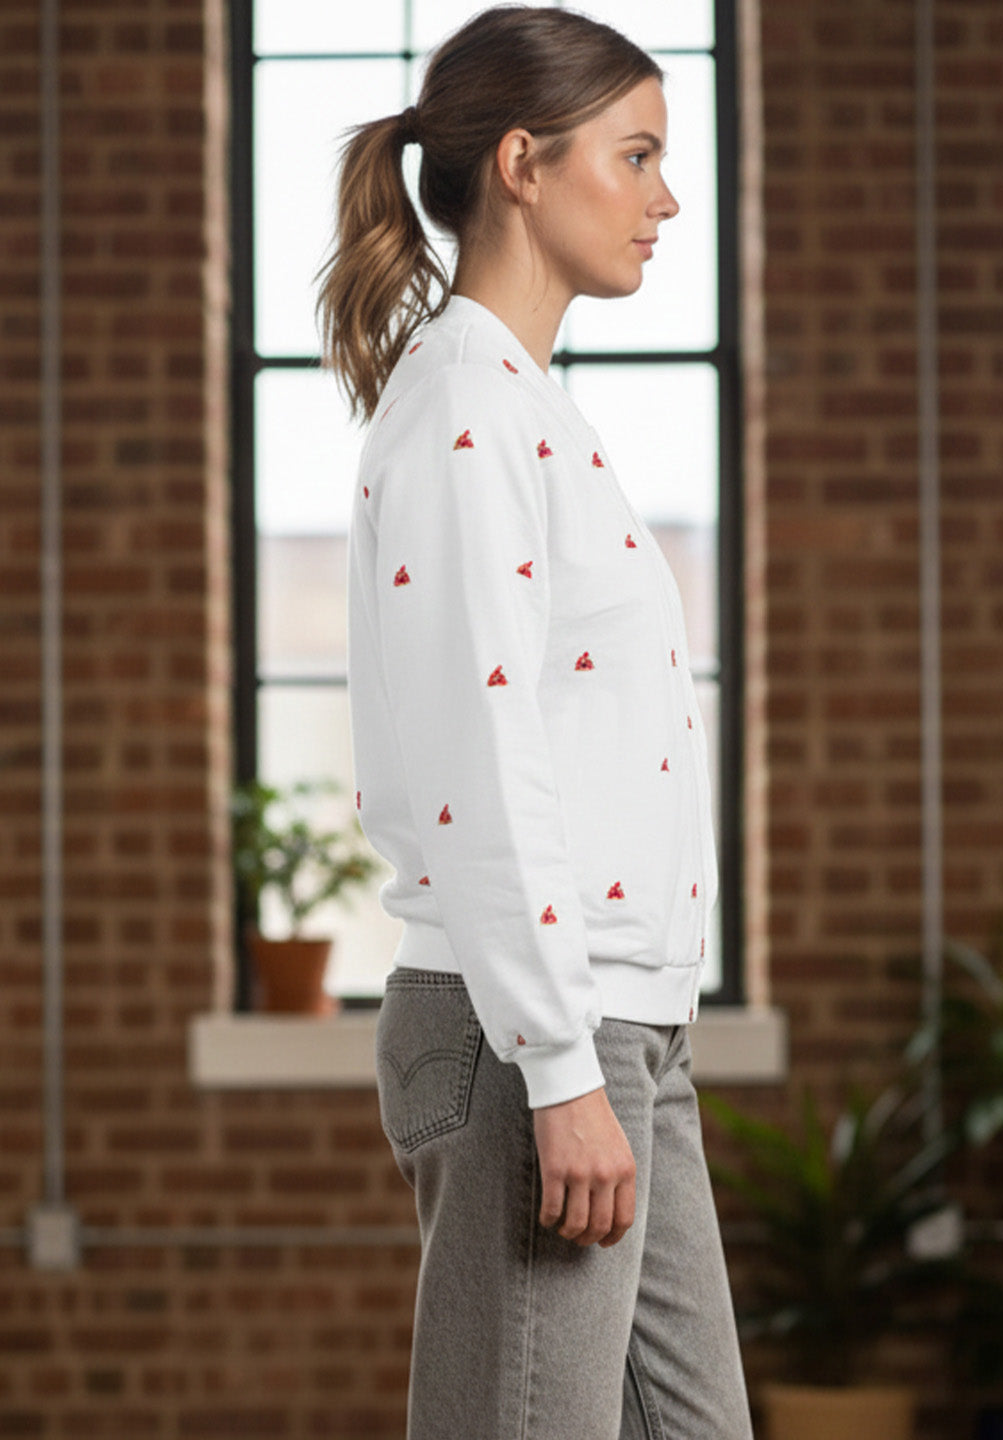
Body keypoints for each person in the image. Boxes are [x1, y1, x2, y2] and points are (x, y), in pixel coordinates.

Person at [315, 7, 755, 1438]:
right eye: (636, 156)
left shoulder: (525, 409)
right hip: (536, 1036)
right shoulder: (465, 410)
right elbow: (481, 763)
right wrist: (561, 1071)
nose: (665, 199)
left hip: (622, 1021)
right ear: (522, 163)